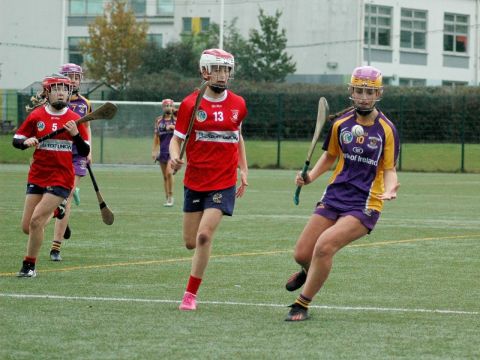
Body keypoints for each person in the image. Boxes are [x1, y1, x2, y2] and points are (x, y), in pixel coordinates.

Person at [284, 66, 400, 321]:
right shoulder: (340, 124)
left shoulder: (387, 130)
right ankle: (309, 269)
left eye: (369, 92)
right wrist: (310, 176)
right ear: (351, 91)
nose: (364, 97)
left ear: (378, 93)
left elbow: (389, 169)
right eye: (359, 91)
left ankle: (301, 304)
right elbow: (330, 156)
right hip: (335, 196)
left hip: (366, 203)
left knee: (325, 246)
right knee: (302, 254)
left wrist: (391, 187)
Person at [169, 48, 249, 311]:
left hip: (223, 182)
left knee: (204, 236)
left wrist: (243, 169)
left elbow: (237, 137)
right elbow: (177, 139)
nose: (222, 75)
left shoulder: (238, 104)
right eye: (216, 69)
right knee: (190, 241)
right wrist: (173, 157)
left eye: (226, 69)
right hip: (195, 180)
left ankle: (190, 295)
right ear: (204, 71)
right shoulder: (191, 104)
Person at [12, 74, 90, 277]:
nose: (61, 92)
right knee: (27, 227)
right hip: (38, 174)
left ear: (69, 92)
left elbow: (83, 150)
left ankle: (29, 266)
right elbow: (17, 138)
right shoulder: (36, 116)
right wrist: (25, 142)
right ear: (47, 93)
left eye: (64, 89)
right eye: (56, 89)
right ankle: (58, 211)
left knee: (37, 221)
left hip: (62, 177)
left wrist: (76, 134)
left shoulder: (75, 119)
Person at [49, 63, 93, 261]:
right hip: (57, 154)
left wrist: (88, 147)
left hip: (77, 155)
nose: (75, 80)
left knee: (64, 198)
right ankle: (63, 219)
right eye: (71, 76)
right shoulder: (54, 101)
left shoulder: (85, 103)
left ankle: (55, 248)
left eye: (77, 77)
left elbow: (87, 126)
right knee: (56, 201)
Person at [151, 98, 176, 207]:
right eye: (166, 106)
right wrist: (154, 151)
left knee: (169, 173)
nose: (168, 107)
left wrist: (173, 127)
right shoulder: (158, 120)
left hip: (173, 151)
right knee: (165, 176)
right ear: (163, 107)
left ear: (172, 107)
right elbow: (156, 137)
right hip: (163, 151)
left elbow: (182, 132)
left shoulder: (176, 120)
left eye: (170, 106)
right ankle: (167, 198)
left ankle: (171, 196)